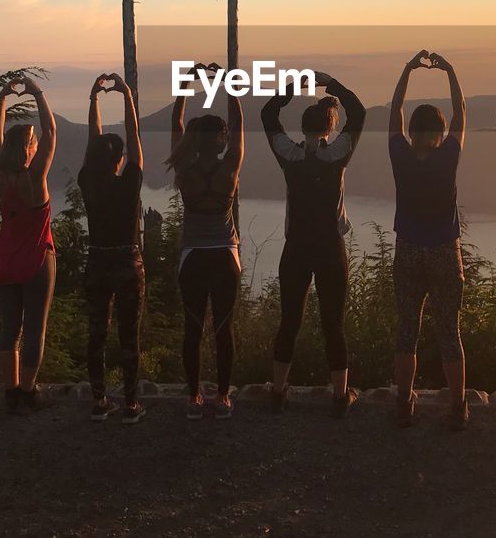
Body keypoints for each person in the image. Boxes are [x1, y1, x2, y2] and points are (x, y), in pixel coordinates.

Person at [262, 70, 367, 417]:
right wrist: (330, 82)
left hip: (296, 249)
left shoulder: (289, 156)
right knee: (332, 323)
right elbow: (360, 113)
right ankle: (340, 396)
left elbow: (267, 115)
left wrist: (294, 86)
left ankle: (278, 392)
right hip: (330, 248)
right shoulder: (337, 155)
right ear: (329, 125)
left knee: (290, 319)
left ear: (304, 125)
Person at [388, 50, 469, 430]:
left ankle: (404, 404)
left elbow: (394, 109)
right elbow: (461, 112)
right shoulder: (447, 156)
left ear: (412, 131)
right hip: (443, 251)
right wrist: (449, 71)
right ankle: (457, 407)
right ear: (438, 132)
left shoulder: (400, 154)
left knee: (408, 329)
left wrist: (407, 70)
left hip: (407, 250)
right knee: (448, 330)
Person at [167, 62, 244, 420]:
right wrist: (228, 83)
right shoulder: (230, 167)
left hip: (192, 257)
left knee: (193, 327)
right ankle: (224, 396)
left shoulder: (185, 168)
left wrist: (187, 83)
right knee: (223, 328)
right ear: (223, 139)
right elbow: (241, 125)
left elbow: (176, 125)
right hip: (225, 256)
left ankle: (194, 396)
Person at [78, 72, 146, 424]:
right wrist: (127, 97)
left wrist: (94, 99)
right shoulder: (130, 183)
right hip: (127, 261)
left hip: (97, 262)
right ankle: (132, 404)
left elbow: (94, 143)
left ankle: (99, 400)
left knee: (97, 334)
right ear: (120, 159)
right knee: (128, 334)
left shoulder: (89, 181)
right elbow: (135, 140)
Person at [0, 76, 57, 413]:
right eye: (33, 142)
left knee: (9, 329)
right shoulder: (36, 178)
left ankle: (10, 392)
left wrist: (2, 98)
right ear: (29, 149)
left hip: (6, 262)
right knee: (34, 330)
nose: (36, 144)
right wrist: (38, 93)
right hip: (36, 260)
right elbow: (53, 133)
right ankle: (29, 392)